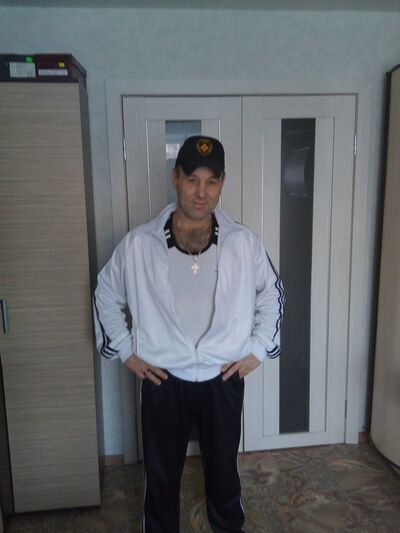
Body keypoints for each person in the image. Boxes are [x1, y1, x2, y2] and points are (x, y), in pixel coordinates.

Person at [94, 135, 284, 533]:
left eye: (211, 181)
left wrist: (258, 348)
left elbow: (272, 293)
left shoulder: (242, 242)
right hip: (163, 378)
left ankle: (227, 526)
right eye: (192, 179)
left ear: (222, 183)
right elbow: (106, 293)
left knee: (223, 470)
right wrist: (125, 350)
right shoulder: (140, 244)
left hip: (223, 374)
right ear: (175, 178)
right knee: (161, 476)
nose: (201, 192)